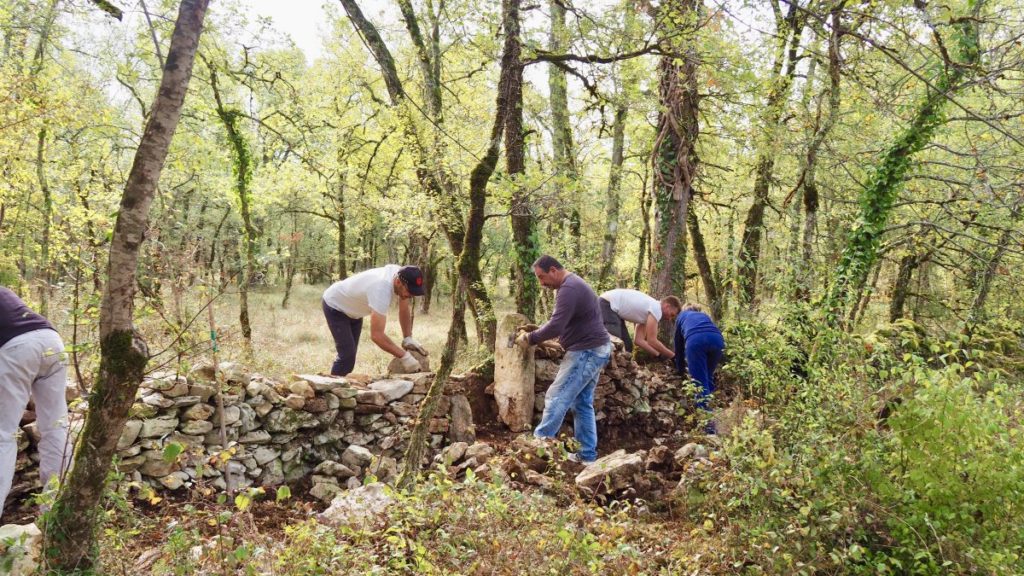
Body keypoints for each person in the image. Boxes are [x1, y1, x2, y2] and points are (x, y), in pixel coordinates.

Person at [516, 255, 611, 465]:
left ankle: (537, 449)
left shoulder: (569, 288)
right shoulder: (571, 285)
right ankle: (586, 456)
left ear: (553, 270)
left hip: (587, 351)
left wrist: (530, 339)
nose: (542, 283)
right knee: (582, 402)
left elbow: (557, 325)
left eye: (542, 277)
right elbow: (562, 322)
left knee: (556, 396)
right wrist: (541, 331)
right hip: (596, 348)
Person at [1, 286, 71, 518]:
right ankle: (57, 509)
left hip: (16, 349)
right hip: (52, 341)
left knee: (3, 435)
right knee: (55, 426)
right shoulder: (4, 292)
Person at [322, 265, 427, 376]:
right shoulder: (381, 289)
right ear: (398, 282)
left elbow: (404, 309)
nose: (410, 296)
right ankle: (331, 389)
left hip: (355, 311)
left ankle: (339, 387)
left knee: (349, 358)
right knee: (347, 357)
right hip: (335, 305)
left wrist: (408, 337)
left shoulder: (403, 274)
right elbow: (377, 336)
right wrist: (405, 357)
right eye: (409, 292)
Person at [673, 303, 725, 433]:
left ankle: (709, 428)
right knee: (707, 376)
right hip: (718, 340)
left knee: (699, 383)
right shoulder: (704, 315)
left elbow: (678, 347)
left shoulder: (681, 316)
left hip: (695, 341)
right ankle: (713, 410)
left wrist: (680, 370)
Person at [599, 288, 680, 358]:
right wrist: (672, 356)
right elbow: (652, 340)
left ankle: (620, 373)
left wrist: (658, 355)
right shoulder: (656, 309)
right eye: (671, 315)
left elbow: (638, 340)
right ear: (667, 306)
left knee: (627, 346)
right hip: (607, 304)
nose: (669, 319)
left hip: (614, 309)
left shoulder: (649, 310)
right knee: (615, 344)